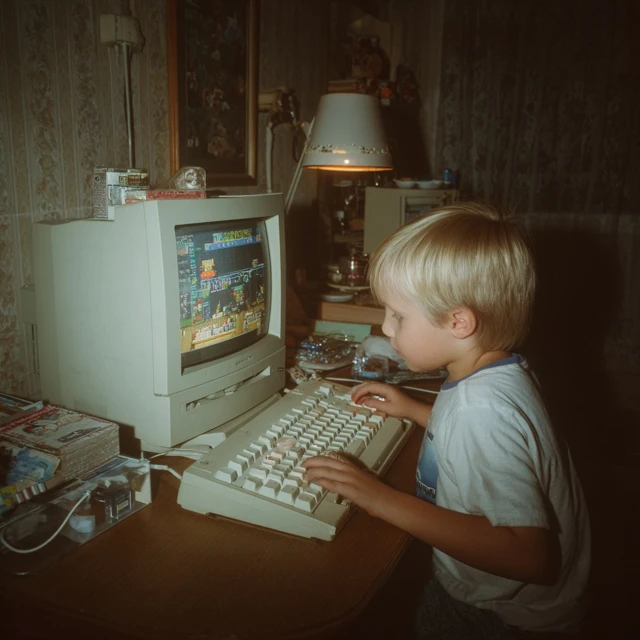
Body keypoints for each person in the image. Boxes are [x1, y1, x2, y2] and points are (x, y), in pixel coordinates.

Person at [302, 202, 590, 638]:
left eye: (397, 315)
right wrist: (414, 410)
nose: (385, 329)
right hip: (497, 595)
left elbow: (529, 555)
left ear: (459, 322)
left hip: (503, 615)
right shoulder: (496, 373)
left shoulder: (483, 411)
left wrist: (378, 498)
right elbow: (472, 434)